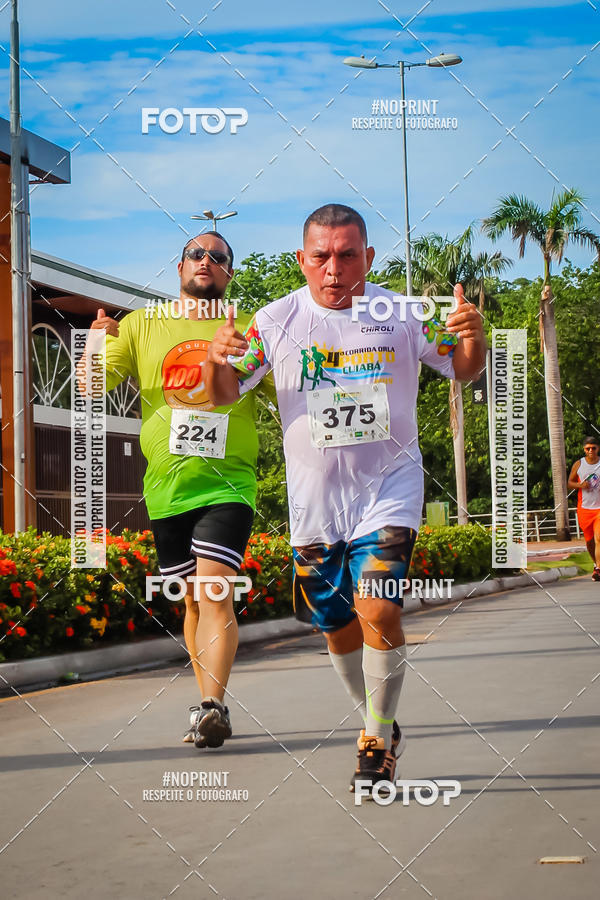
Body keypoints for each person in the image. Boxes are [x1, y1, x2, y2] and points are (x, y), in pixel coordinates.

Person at [203, 203, 486, 793]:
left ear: (369, 258)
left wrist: (471, 338)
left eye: (347, 255)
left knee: (378, 608)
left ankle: (376, 740)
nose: (334, 269)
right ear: (302, 260)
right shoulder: (274, 320)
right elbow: (227, 395)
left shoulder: (402, 314)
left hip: (389, 490)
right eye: (322, 256)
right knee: (337, 627)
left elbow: (462, 369)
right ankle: (377, 719)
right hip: (314, 507)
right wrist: (215, 360)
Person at [79, 231, 265, 748]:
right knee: (190, 601)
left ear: (230, 271)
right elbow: (90, 386)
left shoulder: (250, 327)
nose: (207, 261)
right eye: (196, 254)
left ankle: (212, 705)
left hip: (228, 481)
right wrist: (95, 342)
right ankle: (206, 706)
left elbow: (293, 387)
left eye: (219, 257)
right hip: (164, 487)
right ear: (179, 266)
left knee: (215, 591)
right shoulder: (140, 325)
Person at [568, 436, 600, 581]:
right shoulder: (579, 464)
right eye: (588, 448)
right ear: (584, 449)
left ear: (598, 448)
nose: (591, 450)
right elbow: (570, 482)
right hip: (585, 509)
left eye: (593, 448)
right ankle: (595, 564)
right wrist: (581, 485)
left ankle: (599, 569)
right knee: (589, 542)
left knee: (599, 537)